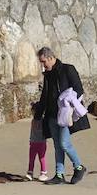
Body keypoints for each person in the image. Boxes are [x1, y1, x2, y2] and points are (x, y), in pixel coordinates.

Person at [35, 46, 88, 185]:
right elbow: (44, 96)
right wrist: (38, 115)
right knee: (57, 145)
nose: (43, 65)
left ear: (51, 58)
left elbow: (78, 89)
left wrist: (68, 101)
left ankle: (79, 167)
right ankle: (59, 174)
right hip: (51, 115)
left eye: (44, 62)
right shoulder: (47, 75)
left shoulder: (68, 69)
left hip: (64, 114)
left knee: (64, 143)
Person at [27, 103, 49, 181]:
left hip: (41, 142)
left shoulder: (43, 121)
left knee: (42, 158)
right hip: (33, 142)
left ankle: (43, 173)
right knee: (31, 158)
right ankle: (30, 172)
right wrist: (30, 139)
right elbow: (32, 132)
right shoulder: (33, 121)